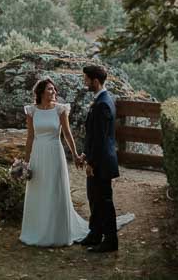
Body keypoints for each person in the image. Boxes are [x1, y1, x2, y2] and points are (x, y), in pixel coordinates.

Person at [18, 77, 90, 247]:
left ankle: (57, 231)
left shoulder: (60, 110)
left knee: (54, 188)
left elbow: (67, 134)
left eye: (54, 89)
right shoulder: (32, 111)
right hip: (38, 152)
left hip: (54, 152)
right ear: (41, 92)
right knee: (39, 188)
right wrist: (25, 162)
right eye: (50, 89)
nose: (54, 92)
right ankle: (37, 230)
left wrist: (75, 154)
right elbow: (30, 137)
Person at [75, 64, 119, 253]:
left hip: (102, 161)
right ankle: (95, 234)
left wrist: (91, 163)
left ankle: (110, 241)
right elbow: (94, 135)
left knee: (104, 202)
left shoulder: (102, 103)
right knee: (94, 198)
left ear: (95, 81)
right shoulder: (101, 100)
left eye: (86, 79)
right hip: (97, 157)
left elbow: (101, 139)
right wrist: (85, 153)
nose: (84, 82)